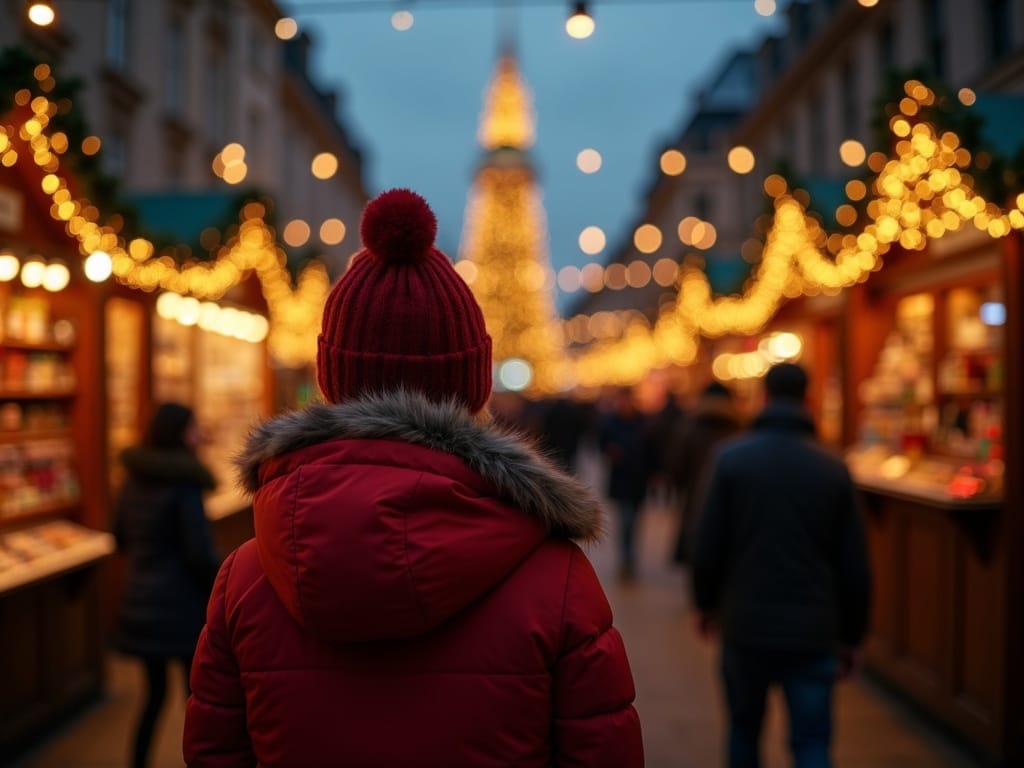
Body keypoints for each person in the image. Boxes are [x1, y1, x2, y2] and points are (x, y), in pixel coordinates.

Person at [183, 189, 643, 767]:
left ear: (333, 380)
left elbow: (215, 753)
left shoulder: (246, 578)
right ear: (471, 387)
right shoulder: (558, 581)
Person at [691, 363, 871, 768]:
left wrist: (705, 605)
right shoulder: (832, 468)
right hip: (814, 629)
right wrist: (853, 635)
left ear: (764, 398)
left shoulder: (731, 460)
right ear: (808, 400)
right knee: (811, 742)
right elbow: (854, 564)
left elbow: (707, 545)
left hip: (745, 623)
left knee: (743, 730)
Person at [114, 402, 219, 768]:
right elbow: (198, 554)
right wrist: (222, 585)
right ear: (178, 433)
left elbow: (120, 537)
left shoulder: (133, 477)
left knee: (152, 696)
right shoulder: (185, 483)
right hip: (181, 606)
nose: (197, 435)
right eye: (193, 428)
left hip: (140, 600)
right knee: (199, 699)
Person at [668, 381, 740, 565]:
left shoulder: (691, 427)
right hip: (733, 507)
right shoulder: (739, 429)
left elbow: (677, 469)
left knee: (699, 556)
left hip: (696, 503)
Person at [598, 386, 654, 582]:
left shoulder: (643, 422)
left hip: (638, 479)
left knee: (634, 522)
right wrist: (609, 452)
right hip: (621, 479)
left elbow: (652, 449)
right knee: (626, 520)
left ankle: (629, 559)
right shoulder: (610, 422)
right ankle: (626, 560)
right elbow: (601, 444)